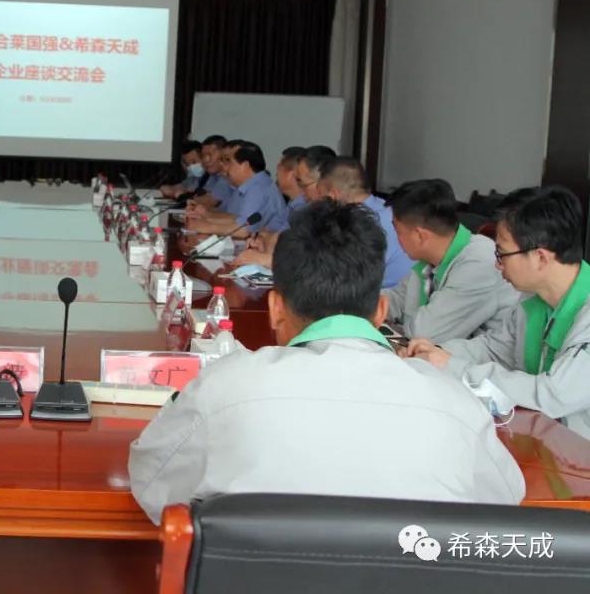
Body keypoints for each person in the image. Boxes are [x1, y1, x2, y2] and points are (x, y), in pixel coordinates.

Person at [128, 199, 524, 524]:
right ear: (381, 311)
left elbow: (151, 483)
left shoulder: (224, 388)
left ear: (275, 309)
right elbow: (505, 500)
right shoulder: (454, 403)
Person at [407, 186, 590, 438]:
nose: (496, 264)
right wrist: (435, 353)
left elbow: (552, 395)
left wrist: (454, 367)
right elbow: (496, 349)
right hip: (541, 439)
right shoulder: (533, 300)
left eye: (502, 253)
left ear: (540, 258)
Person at [385, 179, 519, 341]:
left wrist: (396, 324)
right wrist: (361, 307)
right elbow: (397, 299)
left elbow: (426, 333)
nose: (397, 238)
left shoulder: (479, 262)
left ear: (420, 236)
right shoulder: (429, 261)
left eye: (397, 231)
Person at [318, 156, 413, 289]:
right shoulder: (386, 208)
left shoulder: (360, 224)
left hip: (384, 296)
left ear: (333, 195)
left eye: (322, 197)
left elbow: (344, 281)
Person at [189, 142, 289, 237]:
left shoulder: (259, 188)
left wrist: (204, 226)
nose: (224, 167)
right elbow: (233, 217)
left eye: (228, 161)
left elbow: (244, 230)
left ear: (245, 166)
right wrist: (206, 215)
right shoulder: (245, 186)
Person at [277, 146, 307, 212]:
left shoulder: (302, 211)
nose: (276, 174)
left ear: (291, 174)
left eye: (279, 168)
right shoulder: (293, 204)